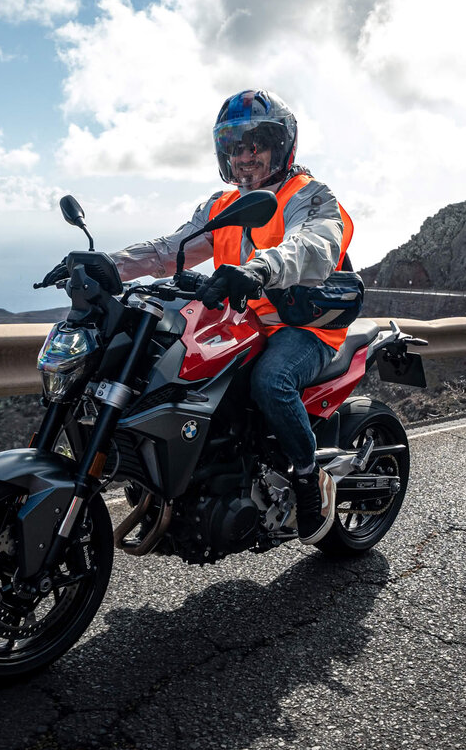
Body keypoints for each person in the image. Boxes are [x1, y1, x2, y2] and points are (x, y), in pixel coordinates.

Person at [104, 90, 354, 547]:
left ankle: (308, 476)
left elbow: (314, 246)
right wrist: (108, 265)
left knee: (271, 381)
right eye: (235, 146)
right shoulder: (222, 206)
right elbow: (171, 250)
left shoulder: (310, 195)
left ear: (282, 145)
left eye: (258, 143)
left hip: (303, 326)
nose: (245, 155)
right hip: (241, 324)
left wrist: (260, 269)